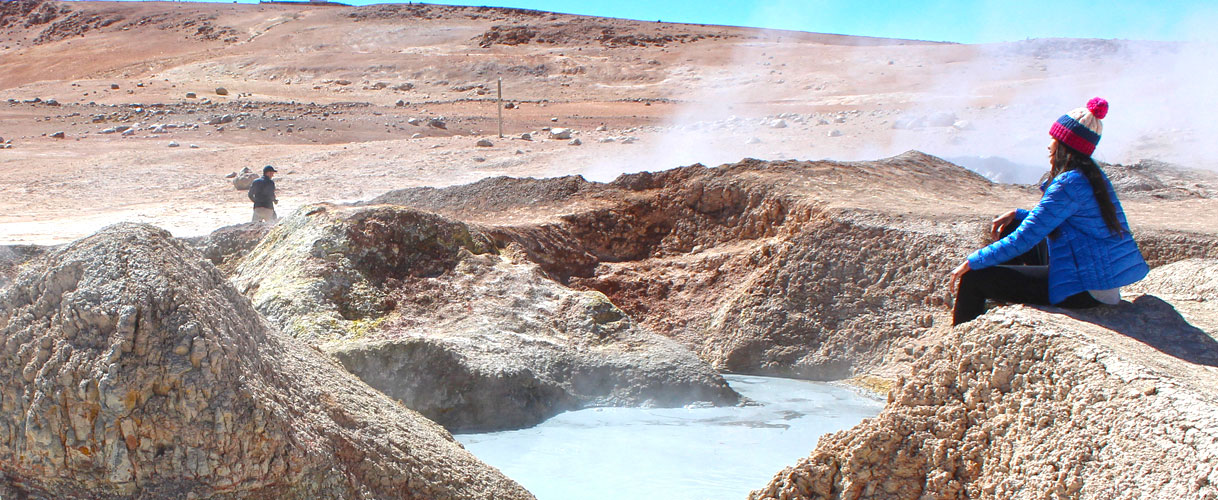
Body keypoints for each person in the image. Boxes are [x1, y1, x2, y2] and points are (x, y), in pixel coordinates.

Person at [948, 97, 1149, 325]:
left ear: (1065, 145)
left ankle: (960, 340)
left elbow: (1022, 240)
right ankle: (1003, 298)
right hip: (1095, 280)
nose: (1049, 145)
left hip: (1082, 290)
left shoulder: (1068, 184)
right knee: (1014, 224)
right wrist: (1019, 214)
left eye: (1053, 139)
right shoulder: (1089, 176)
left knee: (975, 277)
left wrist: (972, 262)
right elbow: (1049, 222)